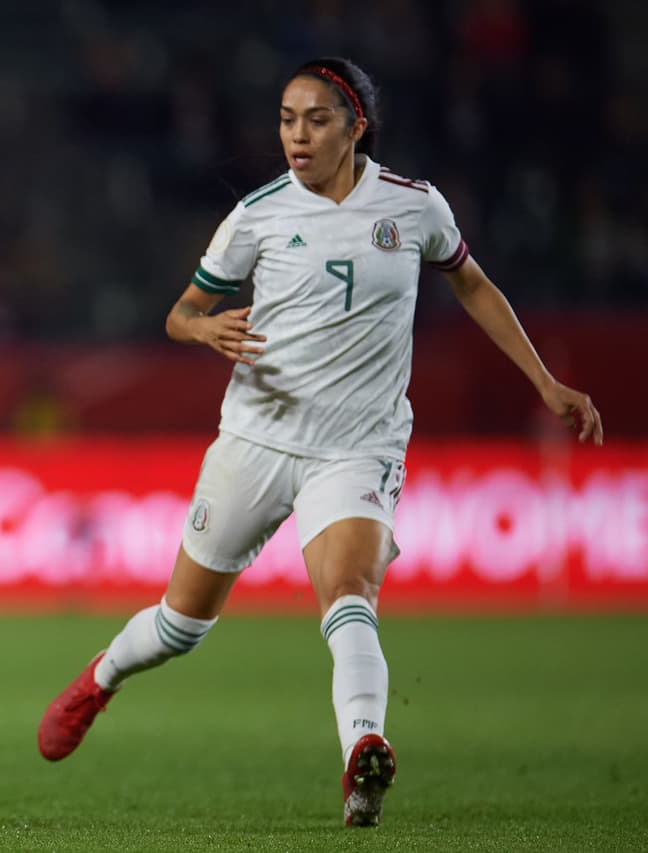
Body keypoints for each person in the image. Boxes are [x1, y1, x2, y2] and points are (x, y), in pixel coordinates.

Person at [36, 57, 602, 828]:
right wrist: (206, 327)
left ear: (355, 126)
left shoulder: (413, 207)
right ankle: (99, 677)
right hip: (256, 440)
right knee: (180, 625)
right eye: (285, 119)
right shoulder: (257, 214)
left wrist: (544, 381)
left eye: (316, 120)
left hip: (357, 447)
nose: (296, 136)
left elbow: (471, 281)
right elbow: (180, 311)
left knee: (349, 596)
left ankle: (364, 752)